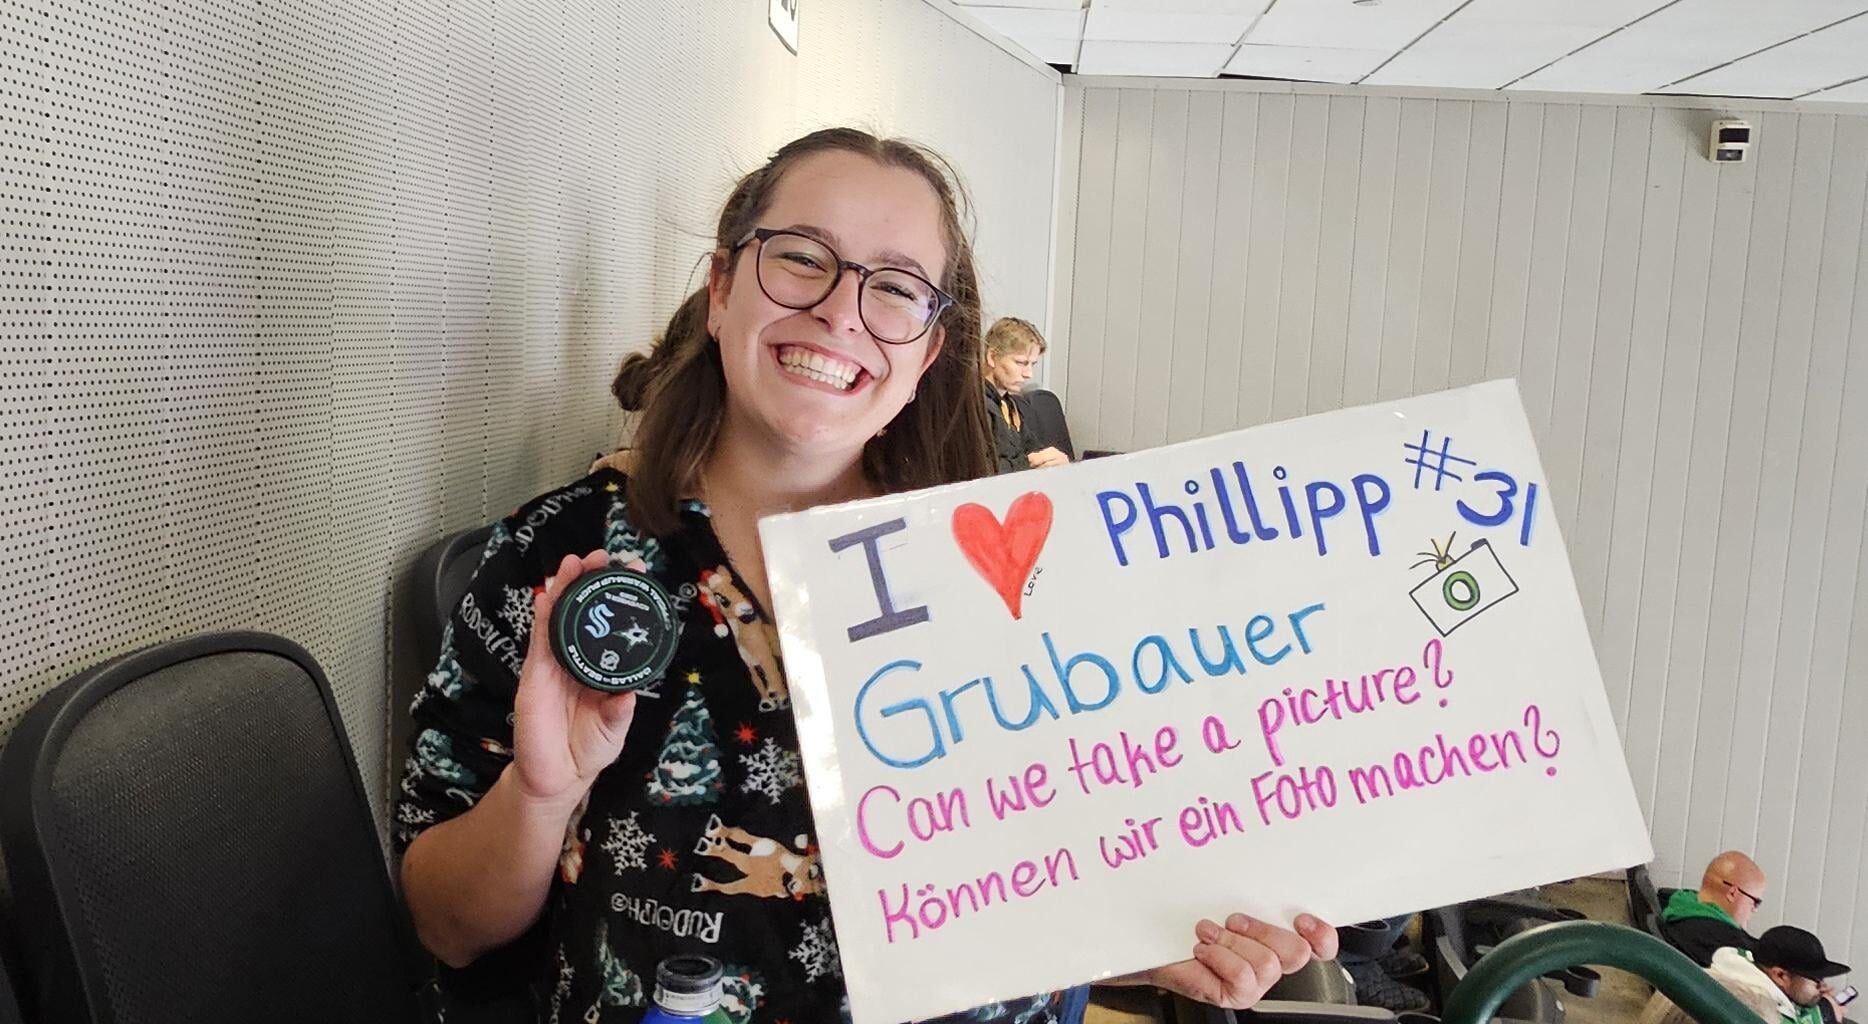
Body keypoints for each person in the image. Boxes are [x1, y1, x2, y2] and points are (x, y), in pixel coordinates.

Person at [396, 128, 1338, 1024]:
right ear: (722, 287)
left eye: (895, 287)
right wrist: (541, 792)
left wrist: (1159, 932)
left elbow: (1055, 872)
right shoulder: (565, 564)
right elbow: (448, 927)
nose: (841, 311)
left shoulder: (1026, 573)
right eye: (803, 257)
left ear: (927, 349)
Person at [982, 316, 1068, 473]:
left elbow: (1033, 449)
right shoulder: (974, 407)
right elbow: (979, 469)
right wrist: (1029, 464)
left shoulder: (1010, 405)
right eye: (1021, 363)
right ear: (992, 357)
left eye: (1032, 364)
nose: (1029, 374)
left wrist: (1052, 460)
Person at [1661, 850, 1768, 967]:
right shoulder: (1723, 943)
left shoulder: (1681, 905)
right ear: (1732, 893)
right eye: (1756, 902)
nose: (1755, 909)